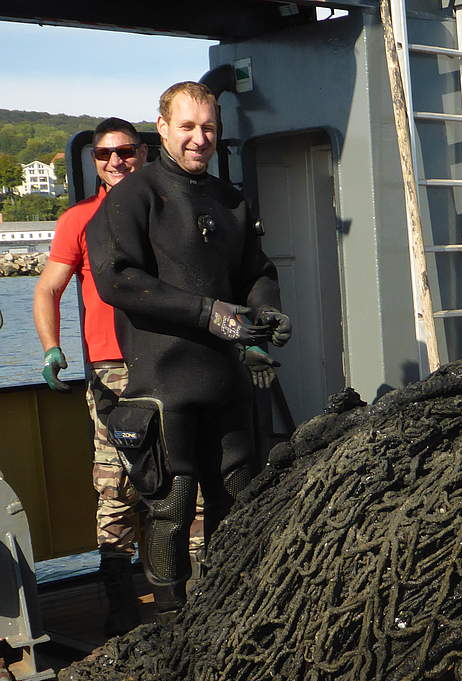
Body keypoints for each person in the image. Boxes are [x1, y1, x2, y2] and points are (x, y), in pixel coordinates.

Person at [87, 82, 291, 616]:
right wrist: (208, 313)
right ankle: (168, 621)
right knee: (170, 511)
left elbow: (257, 271)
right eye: (188, 127)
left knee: (238, 500)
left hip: (226, 386)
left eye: (209, 128)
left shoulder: (230, 200)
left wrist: (263, 309)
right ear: (162, 128)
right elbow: (118, 282)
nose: (199, 138)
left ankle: (232, 613)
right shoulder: (133, 196)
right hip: (163, 386)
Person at [32, 117, 163, 635]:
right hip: (109, 373)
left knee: (178, 481)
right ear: (94, 161)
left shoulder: (166, 212)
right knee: (115, 488)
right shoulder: (78, 221)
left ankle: (183, 594)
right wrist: (50, 349)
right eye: (105, 154)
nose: (116, 161)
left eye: (126, 151)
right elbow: (47, 289)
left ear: (144, 154)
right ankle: (121, 609)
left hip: (167, 363)